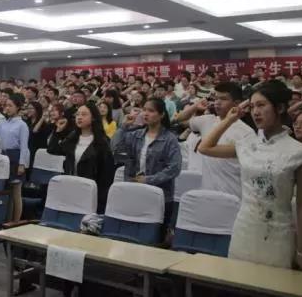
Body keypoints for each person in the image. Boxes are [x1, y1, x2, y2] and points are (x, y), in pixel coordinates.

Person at [198, 80, 302, 270]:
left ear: (280, 108)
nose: (255, 112)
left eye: (261, 105)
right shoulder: (246, 144)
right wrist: (229, 120)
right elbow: (205, 147)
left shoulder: (299, 152)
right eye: (252, 107)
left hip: (278, 233)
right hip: (244, 228)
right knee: (238, 278)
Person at [114, 98, 182, 236]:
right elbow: (115, 149)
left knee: (152, 236)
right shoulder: (135, 135)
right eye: (144, 110)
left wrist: (149, 180)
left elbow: (174, 168)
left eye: (151, 111)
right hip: (134, 190)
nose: (145, 113)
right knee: (131, 233)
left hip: (160, 194)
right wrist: (123, 127)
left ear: (161, 114)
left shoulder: (170, 139)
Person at [176, 83, 256, 199]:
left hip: (234, 195)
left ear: (237, 103)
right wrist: (196, 105)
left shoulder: (246, 132)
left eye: (223, 99)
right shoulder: (207, 120)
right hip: (207, 193)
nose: (217, 102)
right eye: (216, 98)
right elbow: (179, 119)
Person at [48, 102, 115, 213]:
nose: (79, 117)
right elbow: (52, 149)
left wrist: (100, 202)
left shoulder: (102, 142)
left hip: (89, 192)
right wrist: (58, 132)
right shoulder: (73, 137)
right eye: (78, 114)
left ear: (93, 118)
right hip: (70, 188)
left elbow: (106, 175)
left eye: (84, 114)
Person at [0, 93, 30, 181]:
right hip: (2, 155)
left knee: (14, 185)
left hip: (15, 156)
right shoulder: (3, 122)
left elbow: (24, 146)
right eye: (6, 106)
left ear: (17, 107)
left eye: (10, 106)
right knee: (1, 183)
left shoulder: (22, 125)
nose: (7, 108)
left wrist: (22, 164)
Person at [25, 101, 48, 169]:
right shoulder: (27, 121)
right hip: (28, 148)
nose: (29, 110)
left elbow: (34, 131)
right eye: (28, 108)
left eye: (31, 108)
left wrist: (42, 118)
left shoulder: (42, 123)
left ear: (37, 110)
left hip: (37, 149)